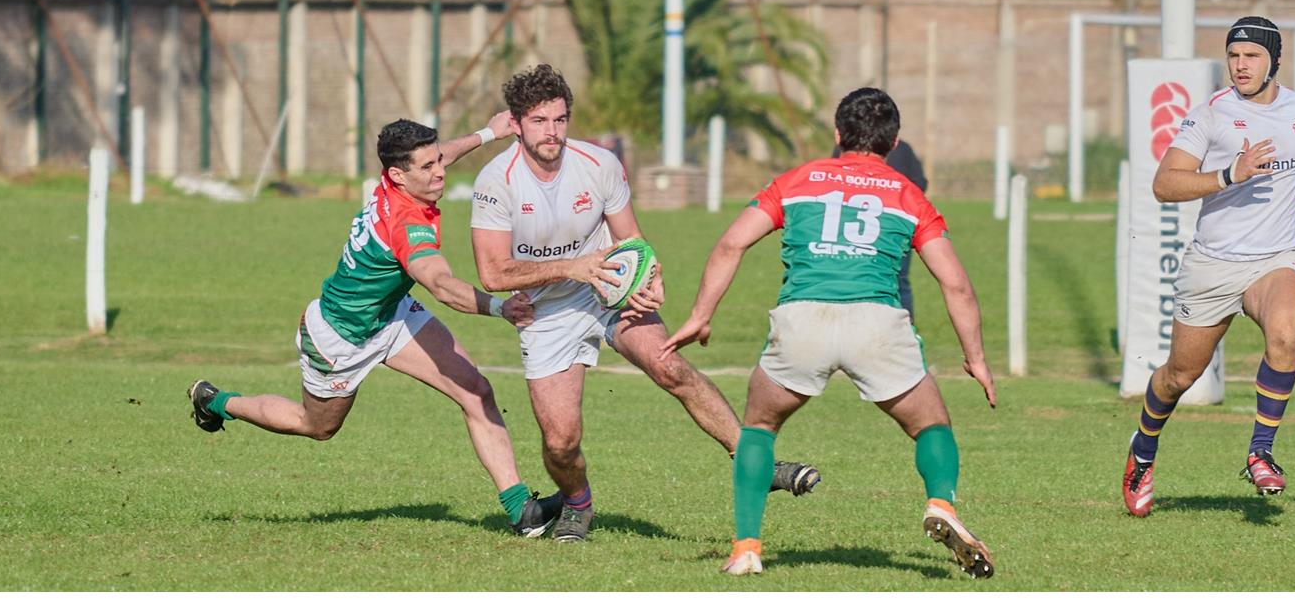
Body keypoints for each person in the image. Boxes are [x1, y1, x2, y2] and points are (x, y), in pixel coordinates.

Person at [469, 64, 821, 544]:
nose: (552, 132)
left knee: (671, 367)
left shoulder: (598, 165)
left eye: (560, 119)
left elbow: (631, 240)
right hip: (545, 311)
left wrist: (649, 276)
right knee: (560, 441)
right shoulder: (497, 180)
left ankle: (756, 464)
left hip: (607, 291)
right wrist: (573, 267)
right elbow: (492, 272)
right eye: (539, 121)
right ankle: (577, 504)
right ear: (516, 124)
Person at [662, 87, 998, 578]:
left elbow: (732, 244)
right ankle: (941, 505)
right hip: (876, 323)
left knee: (758, 428)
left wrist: (700, 314)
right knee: (931, 426)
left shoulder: (796, 181)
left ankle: (746, 549)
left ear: (838, 134)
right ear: (894, 141)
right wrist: (977, 358)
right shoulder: (909, 194)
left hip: (804, 321)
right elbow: (956, 285)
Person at [187, 114, 565, 538]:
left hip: (392, 313)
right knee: (317, 426)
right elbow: (442, 286)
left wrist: (488, 134)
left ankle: (521, 512)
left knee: (475, 390)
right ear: (398, 175)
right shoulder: (407, 224)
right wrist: (500, 308)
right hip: (339, 336)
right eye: (428, 168)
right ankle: (217, 401)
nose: (440, 171)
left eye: (437, 161)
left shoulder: (391, 179)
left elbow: (439, 155)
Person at [1123, 16, 1295, 517]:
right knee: (1178, 377)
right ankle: (1142, 451)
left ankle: (1261, 451)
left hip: (1275, 258)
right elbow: (1166, 184)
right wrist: (1229, 173)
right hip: (1212, 264)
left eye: (1251, 56)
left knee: (1287, 329)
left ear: (1275, 60)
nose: (1240, 66)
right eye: (1233, 56)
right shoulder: (1211, 114)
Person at [831, 136, 928, 320]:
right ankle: (906, 327)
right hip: (896, 228)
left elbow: (832, 184)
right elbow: (920, 183)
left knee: (850, 276)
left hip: (852, 230)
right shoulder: (904, 149)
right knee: (899, 280)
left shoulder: (844, 150)